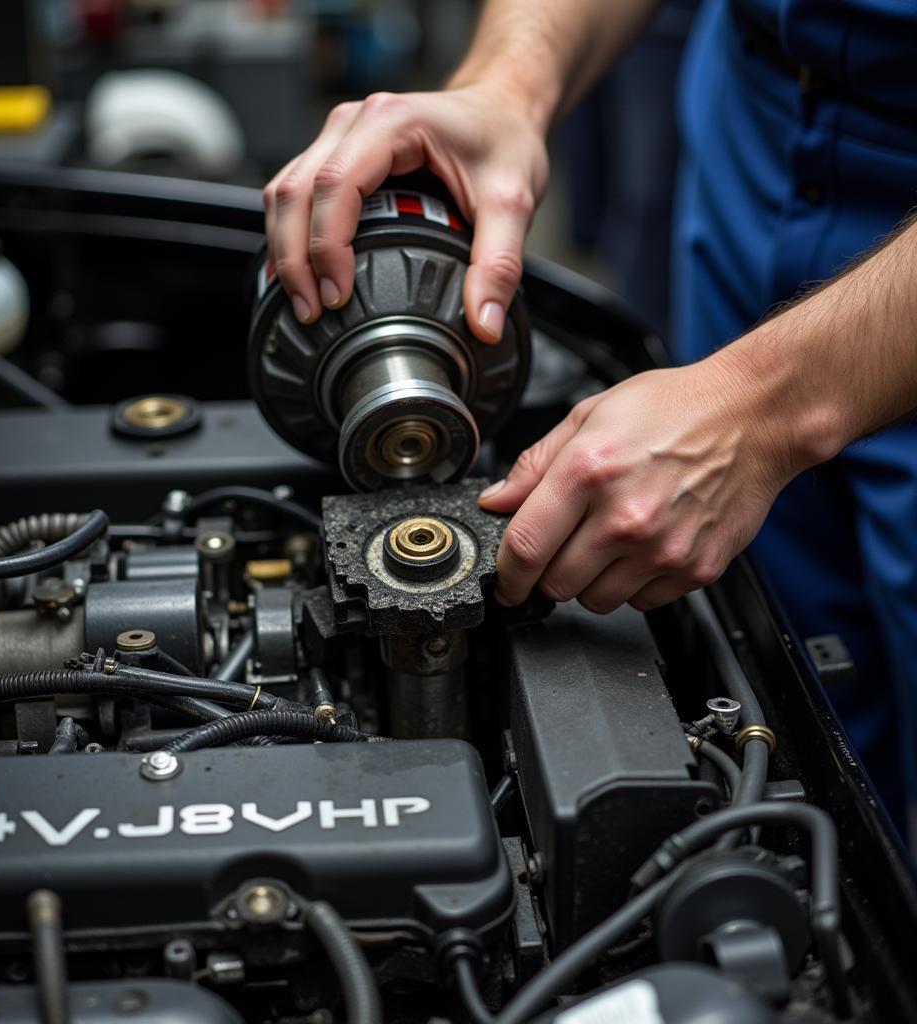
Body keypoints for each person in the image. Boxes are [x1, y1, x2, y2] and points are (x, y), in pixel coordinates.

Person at [262, 0, 917, 835]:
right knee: (791, 689)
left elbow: (751, 410)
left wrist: (763, 405)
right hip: (759, 128)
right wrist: (507, 85)